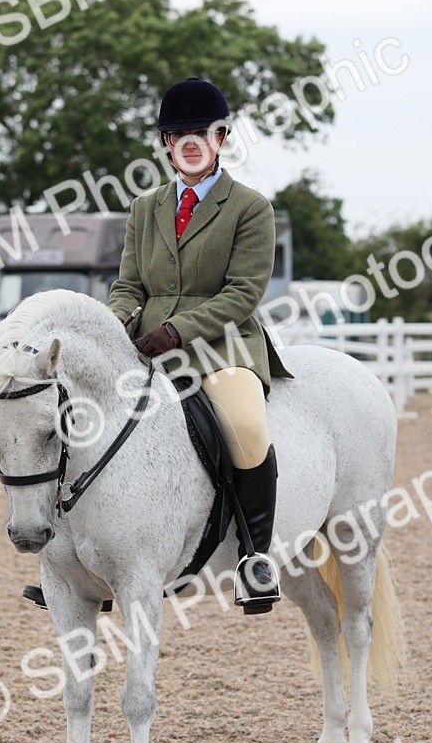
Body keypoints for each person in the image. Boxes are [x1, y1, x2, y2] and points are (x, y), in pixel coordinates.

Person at [107, 76, 294, 613]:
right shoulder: (145, 208)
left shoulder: (250, 208)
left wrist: (178, 330)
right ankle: (82, 560)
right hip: (148, 343)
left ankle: (255, 558)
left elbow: (243, 294)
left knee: (248, 426)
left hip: (223, 345)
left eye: (203, 133)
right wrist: (113, 323)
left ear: (222, 138)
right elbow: (129, 285)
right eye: (179, 134)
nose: (191, 143)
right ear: (167, 143)